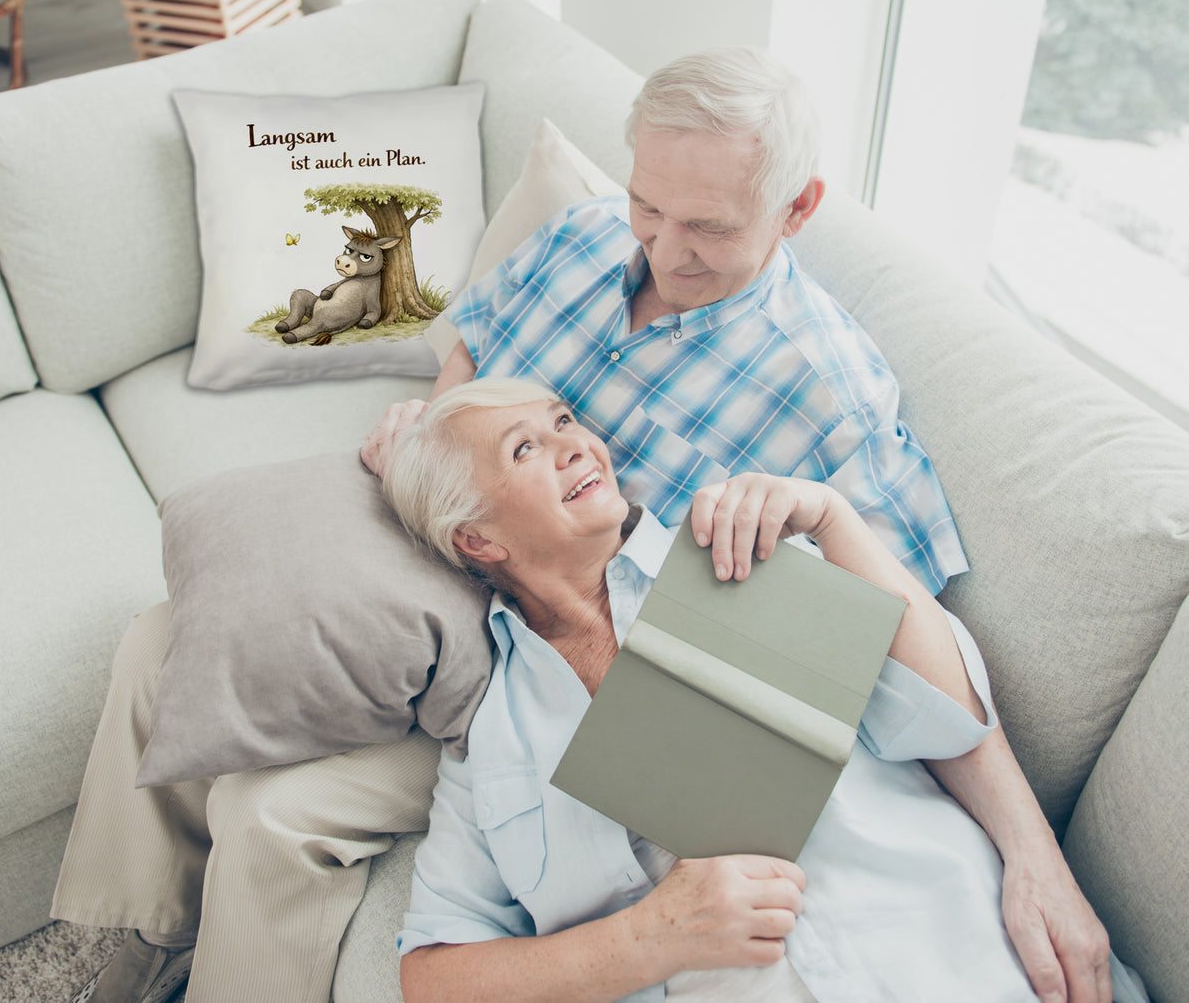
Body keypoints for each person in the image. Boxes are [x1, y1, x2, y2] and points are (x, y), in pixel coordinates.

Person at [54, 49, 1106, 1003]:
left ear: (795, 209)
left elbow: (902, 644)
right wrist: (433, 434)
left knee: (275, 812)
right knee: (167, 636)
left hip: (553, 641)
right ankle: (134, 939)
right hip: (461, 535)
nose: (662, 246)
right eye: (650, 204)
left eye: (707, 227)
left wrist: (1032, 852)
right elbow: (471, 348)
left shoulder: (828, 396)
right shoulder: (583, 236)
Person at [382, 377, 1135, 1003]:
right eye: (525, 448)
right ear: (477, 539)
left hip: (960, 956)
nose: (576, 444)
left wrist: (834, 520)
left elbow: (947, 718)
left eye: (564, 421)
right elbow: (433, 976)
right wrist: (649, 938)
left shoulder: (737, 551)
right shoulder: (492, 740)